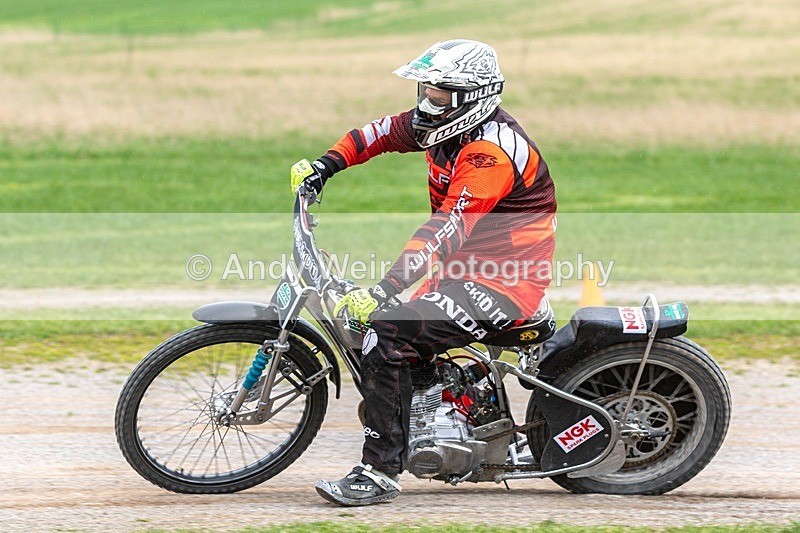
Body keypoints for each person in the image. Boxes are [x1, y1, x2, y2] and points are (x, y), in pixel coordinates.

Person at [290, 39, 557, 506]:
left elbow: (446, 228)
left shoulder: (488, 154)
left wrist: (386, 287)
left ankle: (379, 472)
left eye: (440, 94)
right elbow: (378, 134)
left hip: (504, 284)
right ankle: (445, 412)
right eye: (426, 90)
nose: (427, 102)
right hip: (463, 275)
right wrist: (324, 166)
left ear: (474, 97)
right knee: (387, 326)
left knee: (384, 331)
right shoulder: (443, 127)